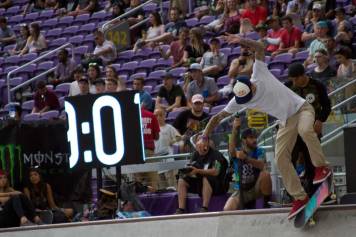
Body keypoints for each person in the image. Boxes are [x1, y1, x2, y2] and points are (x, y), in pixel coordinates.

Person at [202, 35, 331, 219]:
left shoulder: (259, 73)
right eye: (244, 101)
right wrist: (205, 135)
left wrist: (241, 40)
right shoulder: (239, 99)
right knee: (280, 159)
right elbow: (217, 117)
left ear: (252, 86)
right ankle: (300, 197)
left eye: (249, 97)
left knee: (304, 130)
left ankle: (322, 167)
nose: (248, 102)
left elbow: (260, 48)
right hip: (285, 121)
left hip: (302, 109)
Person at [285, 63, 331, 198]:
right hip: (293, 130)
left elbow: (327, 106)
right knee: (289, 160)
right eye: (292, 79)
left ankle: (312, 191)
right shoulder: (288, 86)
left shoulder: (317, 85)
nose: (293, 82)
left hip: (310, 131)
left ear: (302, 76)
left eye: (295, 79)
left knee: (311, 161)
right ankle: (293, 193)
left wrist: (320, 120)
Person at [224, 120, 272, 211]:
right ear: (244, 140)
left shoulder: (260, 151)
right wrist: (234, 129)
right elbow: (231, 150)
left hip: (256, 188)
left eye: (255, 137)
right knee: (227, 209)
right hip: (241, 190)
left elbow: (262, 165)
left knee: (265, 174)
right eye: (251, 137)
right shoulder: (237, 151)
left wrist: (246, 159)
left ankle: (266, 206)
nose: (254, 140)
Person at [176, 135, 228, 214]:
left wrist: (198, 171)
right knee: (181, 179)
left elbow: (216, 171)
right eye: (197, 146)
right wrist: (188, 171)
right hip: (200, 184)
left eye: (201, 146)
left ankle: (204, 208)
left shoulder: (216, 155)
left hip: (217, 185)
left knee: (206, 178)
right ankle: (181, 209)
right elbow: (192, 167)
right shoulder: (196, 154)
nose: (199, 148)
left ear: (206, 146)